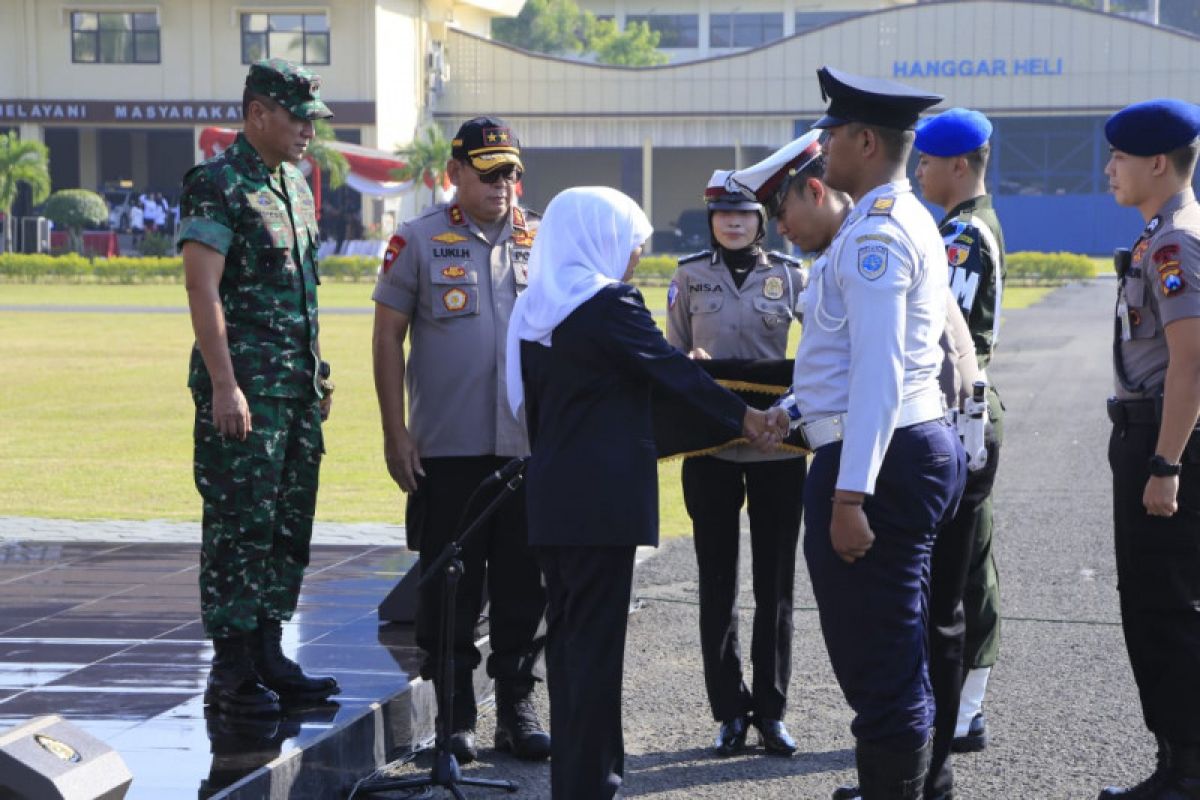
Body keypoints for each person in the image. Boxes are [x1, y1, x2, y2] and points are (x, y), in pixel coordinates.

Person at [506, 185, 781, 800]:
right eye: (630, 242)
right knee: (595, 657)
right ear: (598, 239)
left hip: (554, 498)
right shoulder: (609, 305)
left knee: (573, 655)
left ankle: (576, 783)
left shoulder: (538, 308)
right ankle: (593, 786)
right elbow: (671, 373)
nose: (635, 256)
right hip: (602, 505)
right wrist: (747, 419)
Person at [736, 126, 986, 800]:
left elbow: (880, 371)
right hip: (899, 447)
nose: (779, 229)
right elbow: (848, 364)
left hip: (878, 459)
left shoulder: (872, 237)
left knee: (880, 662)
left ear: (817, 187)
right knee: (905, 646)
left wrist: (850, 498)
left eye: (782, 212)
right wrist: (792, 410)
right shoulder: (879, 226)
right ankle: (919, 786)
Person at [372, 116, 549, 764]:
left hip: (527, 450)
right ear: (456, 173)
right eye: (489, 171)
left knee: (525, 586)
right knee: (450, 590)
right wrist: (396, 433)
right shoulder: (419, 239)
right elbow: (387, 336)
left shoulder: (544, 239)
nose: (503, 183)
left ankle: (517, 709)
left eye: (511, 172)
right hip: (449, 450)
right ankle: (455, 718)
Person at [178, 58, 340, 719]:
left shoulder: (295, 187)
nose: (308, 130)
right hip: (245, 392)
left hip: (293, 392)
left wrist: (317, 373)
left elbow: (300, 294)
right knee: (238, 527)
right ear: (257, 114)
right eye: (298, 117)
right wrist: (225, 386)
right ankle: (233, 671)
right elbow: (201, 286)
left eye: (311, 119)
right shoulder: (217, 184)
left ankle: (270, 649)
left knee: (285, 525)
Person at [666, 169, 807, 757]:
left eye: (743, 213)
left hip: (778, 444)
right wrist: (691, 359)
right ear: (710, 219)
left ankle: (771, 711)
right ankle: (728, 709)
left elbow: (824, 348)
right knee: (716, 580)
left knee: (775, 583)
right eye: (722, 212)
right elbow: (668, 359)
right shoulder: (688, 276)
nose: (732, 221)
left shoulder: (791, 275)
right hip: (712, 447)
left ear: (761, 220)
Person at [1098, 98, 1200, 799]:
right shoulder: (1163, 234)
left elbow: (1190, 361)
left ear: (1157, 163)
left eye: (1120, 158)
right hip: (1152, 431)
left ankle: (1185, 771)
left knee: (1163, 607)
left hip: (1162, 436)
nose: (1110, 169)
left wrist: (1164, 464)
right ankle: (1178, 763)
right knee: (1159, 603)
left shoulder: (1172, 243)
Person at [914, 108, 1008, 761]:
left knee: (959, 570)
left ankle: (962, 712)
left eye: (923, 161)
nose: (917, 171)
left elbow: (938, 338)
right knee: (961, 563)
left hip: (958, 411)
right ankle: (954, 708)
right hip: (962, 409)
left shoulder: (962, 237)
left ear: (956, 164)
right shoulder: (957, 227)